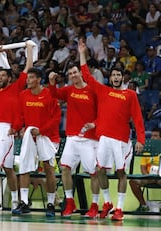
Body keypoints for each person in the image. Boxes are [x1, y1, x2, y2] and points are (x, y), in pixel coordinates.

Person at [79, 38, 145, 221]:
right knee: (100, 170)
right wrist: (82, 53)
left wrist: (140, 139)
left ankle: (119, 208)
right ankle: (107, 202)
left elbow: (138, 118)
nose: (116, 77)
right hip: (104, 139)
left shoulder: (130, 95)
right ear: (110, 77)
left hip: (122, 140)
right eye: (113, 75)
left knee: (121, 172)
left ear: (123, 78)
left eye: (119, 75)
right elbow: (86, 75)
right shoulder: (103, 91)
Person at [0, 41, 34, 214]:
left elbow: (28, 67)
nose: (0, 77)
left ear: (9, 78)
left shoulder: (16, 87)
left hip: (5, 129)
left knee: (7, 167)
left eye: (3, 76)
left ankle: (16, 201)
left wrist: (29, 49)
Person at [48, 64, 100, 218]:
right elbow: (54, 94)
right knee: (65, 168)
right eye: (70, 73)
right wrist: (52, 82)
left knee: (93, 173)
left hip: (89, 139)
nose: (73, 75)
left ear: (81, 73)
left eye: (75, 72)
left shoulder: (93, 90)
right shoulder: (69, 90)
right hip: (72, 137)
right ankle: (70, 202)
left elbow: (102, 113)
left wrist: (94, 124)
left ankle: (95, 205)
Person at [12, 68, 61, 217]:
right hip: (30, 136)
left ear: (39, 80)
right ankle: (24, 202)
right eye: (27, 77)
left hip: (48, 137)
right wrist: (17, 128)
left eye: (31, 77)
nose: (27, 80)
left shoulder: (49, 94)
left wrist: (42, 130)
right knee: (25, 166)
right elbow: (20, 115)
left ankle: (51, 204)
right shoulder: (23, 95)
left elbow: (56, 118)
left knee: (48, 168)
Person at [129, 127, 161, 212]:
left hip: (160, 177)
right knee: (133, 181)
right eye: (152, 136)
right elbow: (143, 167)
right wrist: (147, 176)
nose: (152, 138)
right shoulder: (147, 151)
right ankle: (143, 205)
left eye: (155, 136)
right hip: (149, 176)